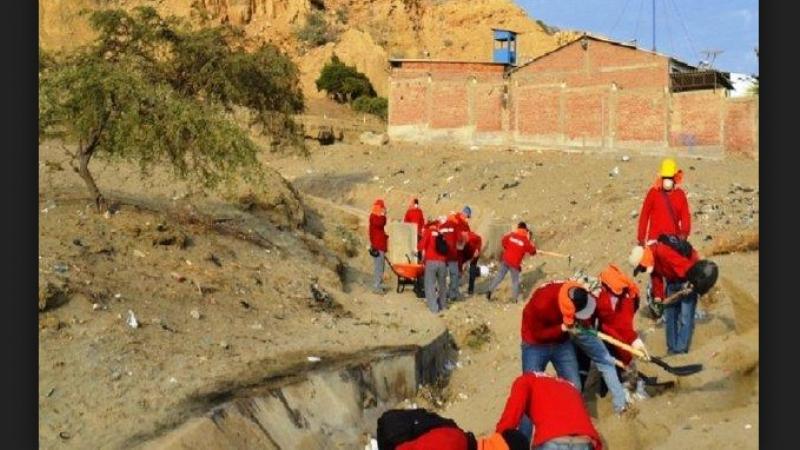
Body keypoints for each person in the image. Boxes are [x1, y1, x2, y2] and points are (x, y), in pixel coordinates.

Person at [517, 280, 595, 439]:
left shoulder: (575, 291)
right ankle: (523, 440)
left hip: (561, 342)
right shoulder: (542, 304)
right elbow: (538, 334)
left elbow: (583, 313)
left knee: (574, 386)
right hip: (535, 343)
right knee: (530, 393)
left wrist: (581, 324)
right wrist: (562, 328)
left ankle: (570, 428)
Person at [495, 372, 603, 450]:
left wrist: (497, 439)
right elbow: (585, 421)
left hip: (552, 442)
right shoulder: (571, 386)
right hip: (584, 442)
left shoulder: (526, 380)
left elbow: (511, 416)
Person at [628, 240, 700, 354]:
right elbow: (656, 279)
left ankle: (680, 350)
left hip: (686, 280)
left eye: (641, 268)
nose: (642, 270)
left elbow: (684, 265)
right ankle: (672, 349)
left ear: (643, 260)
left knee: (686, 317)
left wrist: (690, 283)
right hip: (672, 281)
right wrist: (658, 299)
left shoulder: (662, 251)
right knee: (670, 317)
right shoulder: (651, 259)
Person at [636, 158, 691, 246]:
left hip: (673, 241)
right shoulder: (653, 193)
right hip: (655, 241)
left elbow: (685, 217)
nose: (667, 180)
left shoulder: (680, 195)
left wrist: (684, 233)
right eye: (665, 178)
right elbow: (644, 215)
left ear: (675, 178)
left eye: (669, 178)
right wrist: (641, 238)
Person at [485, 222, 537, 303]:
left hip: (505, 259)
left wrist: (508, 248)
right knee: (515, 281)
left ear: (518, 228)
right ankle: (514, 299)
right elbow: (532, 251)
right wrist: (533, 248)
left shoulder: (512, 235)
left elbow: (503, 241)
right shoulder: (525, 241)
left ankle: (489, 291)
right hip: (514, 264)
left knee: (499, 276)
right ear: (525, 230)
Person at [420, 217, 449, 313]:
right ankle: (443, 305)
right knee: (442, 284)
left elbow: (420, 246)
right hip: (443, 263)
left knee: (430, 284)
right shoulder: (441, 233)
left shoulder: (428, 232)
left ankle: (434, 308)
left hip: (431, 262)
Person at [441, 213, 463, 301]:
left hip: (443, 256)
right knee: (454, 275)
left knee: (443, 276)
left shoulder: (441, 227)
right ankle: (452, 294)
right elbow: (460, 239)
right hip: (452, 255)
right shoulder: (455, 226)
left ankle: (443, 294)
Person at [368, 199, 389, 294]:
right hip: (378, 245)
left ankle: (379, 283)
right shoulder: (374, 217)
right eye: (382, 208)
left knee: (381, 266)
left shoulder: (374, 217)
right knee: (379, 267)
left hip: (379, 245)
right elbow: (381, 223)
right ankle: (376, 286)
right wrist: (383, 215)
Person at [460, 230, 483, 296]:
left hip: (473, 255)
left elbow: (479, 239)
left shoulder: (473, 236)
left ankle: (470, 290)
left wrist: (477, 249)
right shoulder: (460, 237)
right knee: (460, 269)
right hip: (465, 255)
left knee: (472, 269)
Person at [403, 198, 426, 262]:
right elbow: (422, 222)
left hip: (412, 233)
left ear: (413, 204)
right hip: (418, 233)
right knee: (419, 248)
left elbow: (406, 222)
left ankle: (412, 261)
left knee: (412, 248)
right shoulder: (420, 211)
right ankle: (419, 261)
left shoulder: (409, 212)